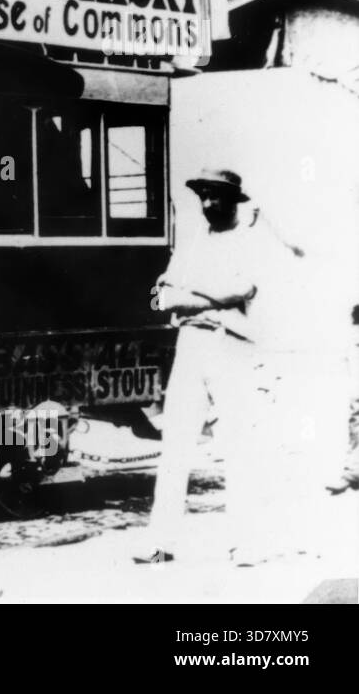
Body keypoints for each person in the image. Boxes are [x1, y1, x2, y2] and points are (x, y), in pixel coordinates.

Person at [133, 168, 288, 564]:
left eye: (215, 196)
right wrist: (210, 297)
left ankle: (245, 543)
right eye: (202, 195)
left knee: (236, 446)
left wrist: (193, 293)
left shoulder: (250, 241)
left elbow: (242, 289)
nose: (207, 203)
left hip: (231, 346)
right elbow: (164, 296)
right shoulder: (192, 241)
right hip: (191, 346)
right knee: (176, 445)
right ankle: (161, 542)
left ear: (232, 199)